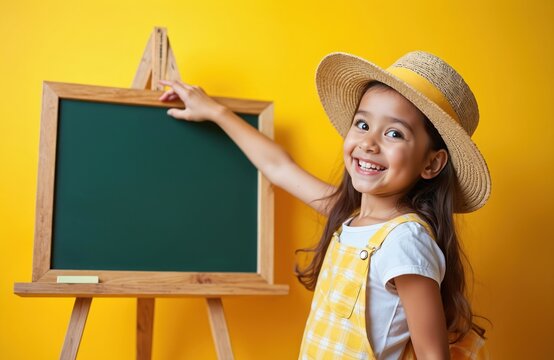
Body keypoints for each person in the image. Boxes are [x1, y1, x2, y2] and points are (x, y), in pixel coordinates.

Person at [159, 50, 491, 359]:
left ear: (431, 164)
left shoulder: (405, 241)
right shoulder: (349, 216)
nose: (369, 143)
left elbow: (432, 355)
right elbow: (279, 167)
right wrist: (216, 112)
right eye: (363, 125)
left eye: (394, 134)